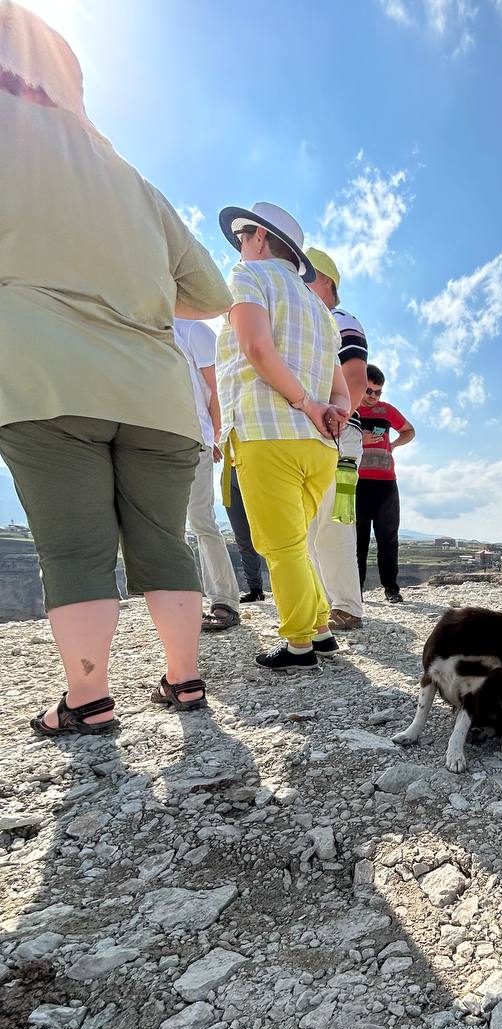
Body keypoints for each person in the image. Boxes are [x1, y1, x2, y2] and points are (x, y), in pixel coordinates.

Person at [0, 4, 231, 734]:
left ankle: (89, 700)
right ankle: (184, 681)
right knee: (164, 540)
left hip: (46, 374)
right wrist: (147, 298)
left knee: (73, 547)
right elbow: (214, 295)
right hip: (157, 390)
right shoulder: (131, 179)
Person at [216, 201, 351, 669]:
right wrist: (332, 411)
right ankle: (319, 628)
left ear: (256, 237)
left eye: (242, 239)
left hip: (267, 430)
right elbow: (340, 387)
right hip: (318, 444)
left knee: (281, 545)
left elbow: (256, 347)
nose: (239, 248)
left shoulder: (247, 278)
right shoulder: (318, 307)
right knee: (297, 544)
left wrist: (304, 403)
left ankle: (298, 644)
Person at [304, 248, 368, 631]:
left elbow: (356, 380)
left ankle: (345, 606)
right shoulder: (317, 323)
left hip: (338, 435)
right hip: (327, 433)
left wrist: (336, 425)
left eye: (305, 275)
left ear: (325, 281)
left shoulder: (340, 320)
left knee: (334, 521)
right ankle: (328, 604)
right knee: (316, 524)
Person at [173, 319, 242, 632]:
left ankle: (224, 600)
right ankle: (179, 605)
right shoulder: (141, 326)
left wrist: (214, 436)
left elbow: (217, 391)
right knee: (166, 528)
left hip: (193, 441)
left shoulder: (193, 330)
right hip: (151, 442)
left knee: (201, 520)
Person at [356, 365, 416, 604]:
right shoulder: (348, 408)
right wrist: (360, 439)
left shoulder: (387, 410)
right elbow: (332, 435)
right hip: (357, 483)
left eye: (377, 392)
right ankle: (355, 591)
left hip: (386, 484)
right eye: (369, 390)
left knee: (388, 539)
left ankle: (391, 588)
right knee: (357, 540)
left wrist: (393, 445)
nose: (372, 396)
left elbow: (409, 431)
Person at [225, 469, 266, 603]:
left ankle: (284, 587)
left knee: (270, 536)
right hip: (229, 474)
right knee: (242, 538)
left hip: (255, 468)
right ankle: (255, 590)